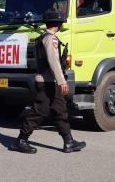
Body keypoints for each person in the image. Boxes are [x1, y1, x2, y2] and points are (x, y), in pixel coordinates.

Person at [10, 8, 86, 154]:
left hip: (49, 82)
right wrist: (62, 81)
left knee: (60, 111)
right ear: (58, 23)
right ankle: (20, 140)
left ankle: (69, 142)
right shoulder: (51, 39)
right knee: (39, 112)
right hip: (47, 82)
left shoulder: (42, 38)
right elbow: (53, 61)